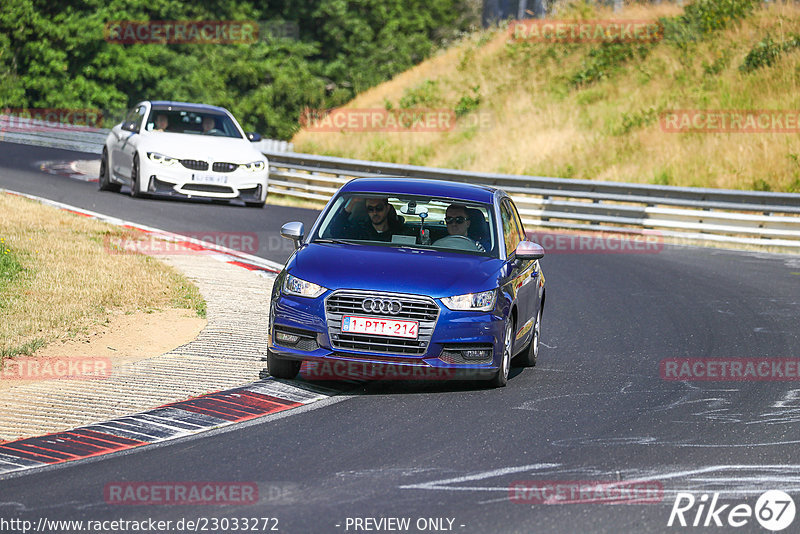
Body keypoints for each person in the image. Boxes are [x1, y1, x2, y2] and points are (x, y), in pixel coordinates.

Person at [329, 196, 404, 242]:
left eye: (379, 208)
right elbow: (335, 231)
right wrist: (352, 202)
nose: (374, 213)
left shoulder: (399, 231)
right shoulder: (359, 230)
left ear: (387, 208)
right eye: (370, 209)